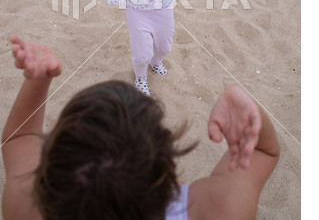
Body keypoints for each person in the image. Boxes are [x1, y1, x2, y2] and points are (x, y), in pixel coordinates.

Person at [2, 35, 280, 220]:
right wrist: (249, 109)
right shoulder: (215, 210)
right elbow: (263, 152)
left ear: (48, 171)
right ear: (166, 173)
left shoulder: (26, 206)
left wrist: (37, 80)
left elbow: (20, 137)